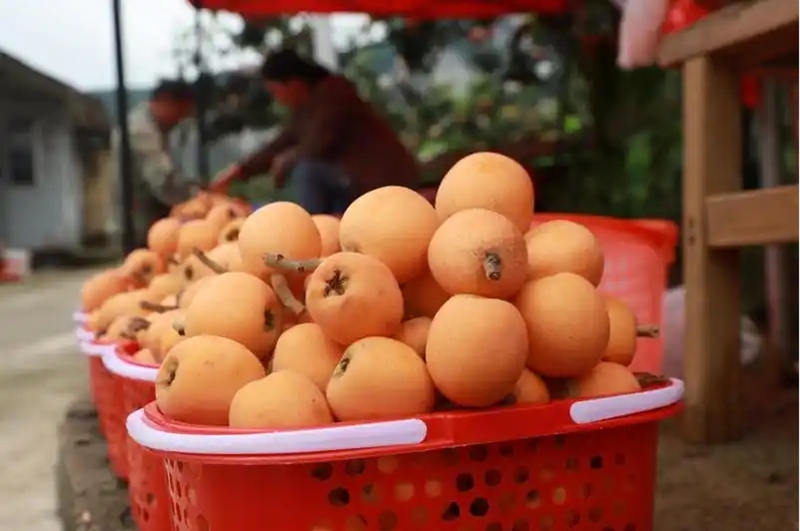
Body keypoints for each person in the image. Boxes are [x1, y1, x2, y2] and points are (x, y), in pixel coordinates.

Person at [210, 49, 421, 214]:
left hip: (382, 182)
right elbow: (281, 143)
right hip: (352, 183)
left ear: (293, 83)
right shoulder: (305, 108)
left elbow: (321, 141)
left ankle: (312, 230)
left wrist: (289, 158)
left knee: (308, 170)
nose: (277, 99)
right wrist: (240, 171)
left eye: (276, 91)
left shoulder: (334, 93)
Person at [117, 79, 201, 247]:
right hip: (139, 225)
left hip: (154, 221)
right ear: (165, 101)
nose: (179, 119)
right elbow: (163, 180)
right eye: (180, 111)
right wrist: (197, 196)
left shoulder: (157, 127)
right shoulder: (140, 130)